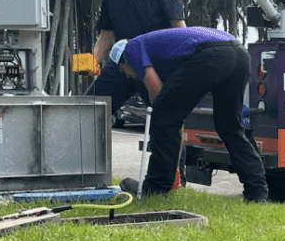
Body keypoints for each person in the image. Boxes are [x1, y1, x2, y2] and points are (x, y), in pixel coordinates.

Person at [110, 27, 268, 202]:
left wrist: (166, 115)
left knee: (163, 116)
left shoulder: (131, 48)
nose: (129, 76)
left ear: (123, 60)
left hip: (213, 53)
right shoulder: (159, 51)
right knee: (230, 127)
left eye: (124, 71)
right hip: (239, 54)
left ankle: (156, 187)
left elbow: (155, 88)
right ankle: (257, 192)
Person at [87, 0, 187, 187]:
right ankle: (84, 173)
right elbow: (107, 34)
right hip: (121, 64)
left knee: (167, 120)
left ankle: (174, 179)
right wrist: (94, 58)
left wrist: (180, 71)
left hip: (155, 66)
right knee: (89, 110)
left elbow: (180, 31)